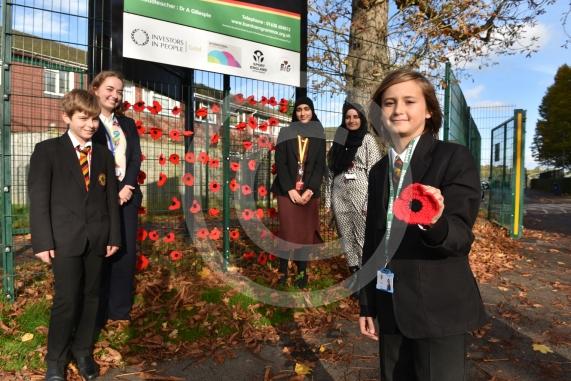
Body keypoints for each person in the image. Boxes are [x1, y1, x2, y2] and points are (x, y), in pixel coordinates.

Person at [358, 69, 487, 380]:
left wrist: (435, 222)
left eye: (409, 101)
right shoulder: (378, 170)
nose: (398, 110)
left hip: (437, 308)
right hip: (389, 304)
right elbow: (374, 238)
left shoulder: (454, 158)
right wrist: (367, 303)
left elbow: (459, 238)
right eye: (389, 102)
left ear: (429, 110)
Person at [28, 89, 121, 381]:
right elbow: (39, 199)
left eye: (94, 119)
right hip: (63, 239)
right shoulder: (47, 151)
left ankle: (82, 351)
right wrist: (42, 241)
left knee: (92, 297)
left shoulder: (104, 154)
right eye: (83, 118)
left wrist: (114, 236)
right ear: (66, 117)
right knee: (67, 299)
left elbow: (110, 200)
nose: (90, 125)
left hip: (97, 238)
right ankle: (55, 359)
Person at [90, 71, 142, 325]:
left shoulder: (128, 125)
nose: (115, 95)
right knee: (101, 251)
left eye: (120, 91)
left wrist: (128, 186)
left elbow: (135, 159)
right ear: (96, 89)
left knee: (125, 253)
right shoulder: (88, 122)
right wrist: (113, 190)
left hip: (127, 196)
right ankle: (97, 313)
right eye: (110, 89)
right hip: (100, 196)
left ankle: (119, 311)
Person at [325, 101, 381, 287]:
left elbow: (375, 172)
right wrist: (328, 201)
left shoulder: (367, 140)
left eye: (355, 116)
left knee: (362, 235)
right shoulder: (339, 141)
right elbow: (330, 172)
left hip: (361, 191)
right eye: (348, 117)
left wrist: (369, 202)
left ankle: (368, 277)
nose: (351, 120)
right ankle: (355, 276)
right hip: (339, 192)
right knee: (346, 236)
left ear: (361, 118)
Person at [271, 97, 326, 288]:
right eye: (299, 110)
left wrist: (310, 189)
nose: (303, 113)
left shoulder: (319, 134)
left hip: (309, 191)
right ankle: (283, 272)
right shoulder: (286, 132)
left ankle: (302, 273)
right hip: (287, 191)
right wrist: (290, 189)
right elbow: (281, 163)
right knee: (287, 232)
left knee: (304, 233)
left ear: (312, 111)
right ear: (295, 113)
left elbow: (320, 165)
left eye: (307, 109)